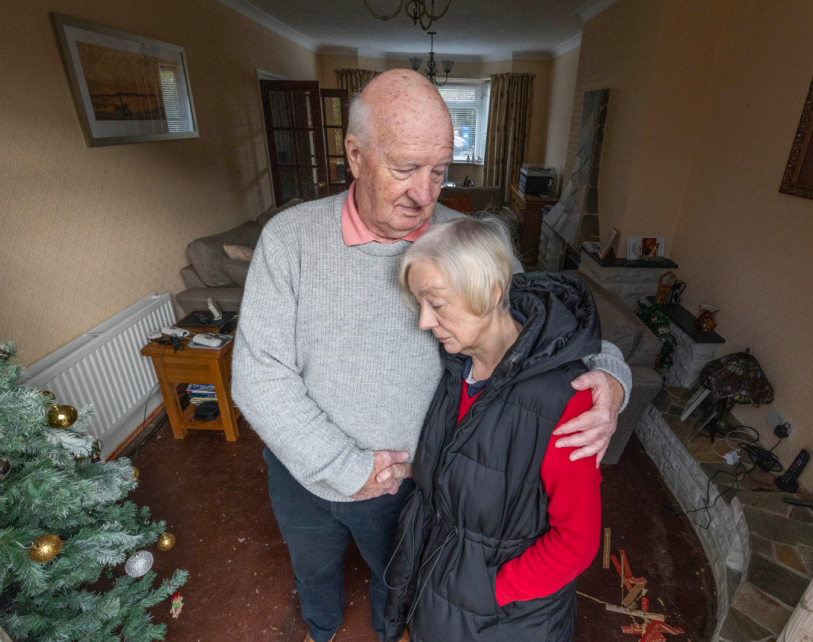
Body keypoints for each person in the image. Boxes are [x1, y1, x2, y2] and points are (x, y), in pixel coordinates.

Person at [231, 69, 631, 642]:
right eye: (404, 169)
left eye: (439, 170)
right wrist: (348, 468)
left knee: (399, 588)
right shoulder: (289, 240)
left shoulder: (462, 239)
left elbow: (545, 329)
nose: (426, 195)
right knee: (314, 578)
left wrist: (612, 378)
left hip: (411, 487)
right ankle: (319, 631)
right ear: (356, 155)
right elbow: (257, 376)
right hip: (302, 476)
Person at [383, 216, 602, 641]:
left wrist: (490, 591)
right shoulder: (454, 366)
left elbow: (576, 542)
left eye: (437, 303)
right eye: (419, 304)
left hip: (500, 620)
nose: (424, 322)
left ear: (492, 292)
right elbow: (477, 462)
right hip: (440, 597)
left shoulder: (566, 398)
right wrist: (415, 470)